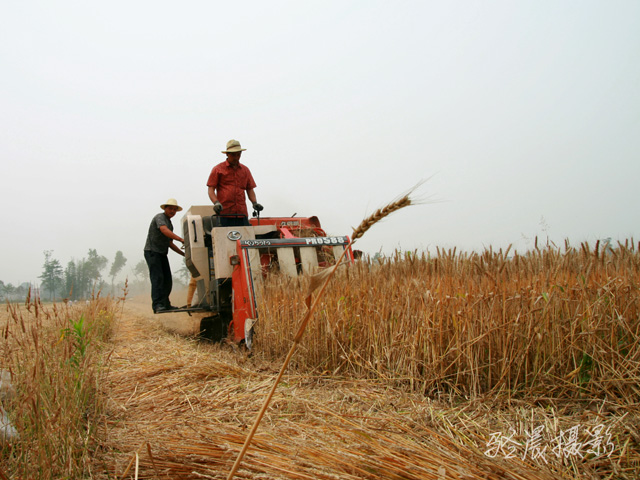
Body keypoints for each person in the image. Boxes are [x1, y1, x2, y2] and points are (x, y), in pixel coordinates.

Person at [207, 139, 263, 227]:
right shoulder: (218, 169)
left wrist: (254, 203)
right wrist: (216, 203)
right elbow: (211, 189)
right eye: (233, 155)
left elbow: (250, 189)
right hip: (224, 214)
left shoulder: (245, 170)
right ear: (227, 154)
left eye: (238, 155)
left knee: (245, 239)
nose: (236, 157)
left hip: (241, 214)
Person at [144, 198, 185, 313]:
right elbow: (163, 230)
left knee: (167, 280)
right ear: (165, 208)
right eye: (170, 208)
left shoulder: (170, 224)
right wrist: (180, 239)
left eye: (174, 209)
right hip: (152, 252)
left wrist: (183, 254)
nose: (172, 211)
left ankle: (165, 304)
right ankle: (157, 305)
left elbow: (169, 243)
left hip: (162, 253)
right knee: (157, 278)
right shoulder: (160, 218)